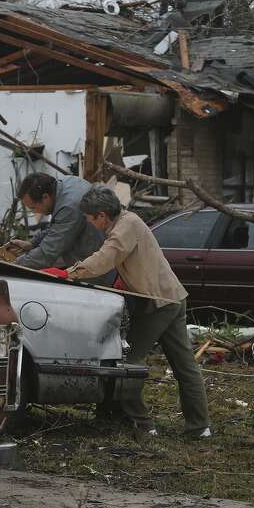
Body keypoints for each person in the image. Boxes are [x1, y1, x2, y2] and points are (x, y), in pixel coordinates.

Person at [66, 185, 211, 439]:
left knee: (127, 363)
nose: (90, 224)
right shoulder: (128, 221)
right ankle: (200, 428)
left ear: (101, 215)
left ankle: (143, 424)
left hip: (157, 303)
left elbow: (105, 258)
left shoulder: (125, 226)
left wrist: (69, 273)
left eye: (90, 218)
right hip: (173, 298)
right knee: (185, 367)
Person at [10, 172, 105, 271]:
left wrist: (12, 265)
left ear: (45, 197)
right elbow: (58, 227)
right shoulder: (67, 182)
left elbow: (47, 253)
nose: (34, 212)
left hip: (99, 269)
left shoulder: (69, 207)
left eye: (33, 207)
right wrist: (33, 244)